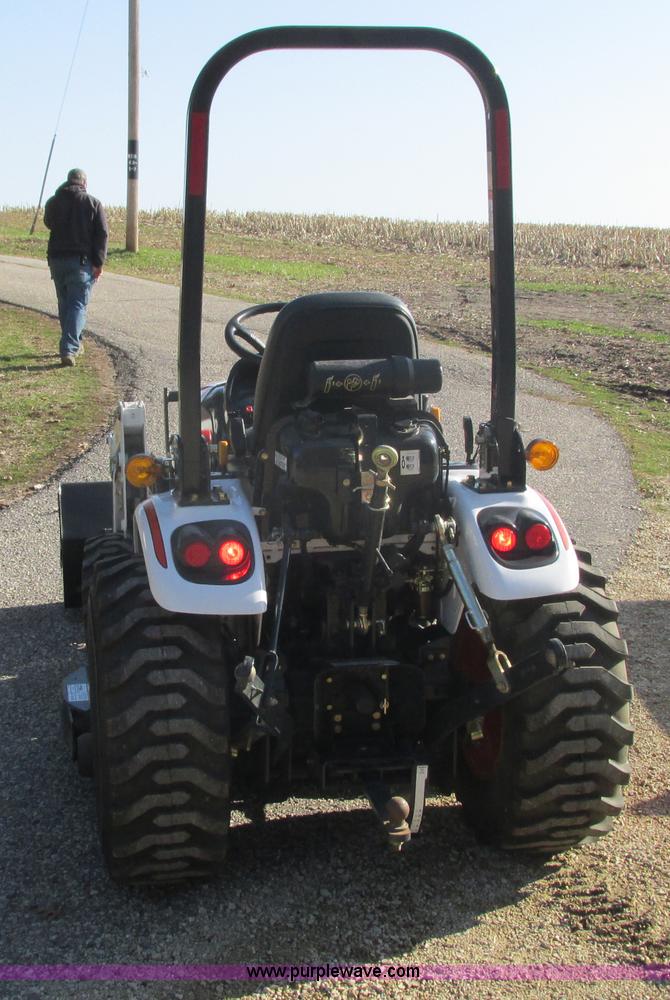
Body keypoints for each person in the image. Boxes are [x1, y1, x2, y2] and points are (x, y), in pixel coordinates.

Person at [44, 168, 108, 366]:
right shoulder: (92, 203)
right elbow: (102, 233)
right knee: (77, 305)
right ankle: (70, 349)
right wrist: (98, 262)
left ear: (67, 181)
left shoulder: (54, 202)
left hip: (57, 261)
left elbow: (48, 222)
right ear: (84, 184)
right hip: (81, 263)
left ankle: (74, 343)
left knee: (65, 304)